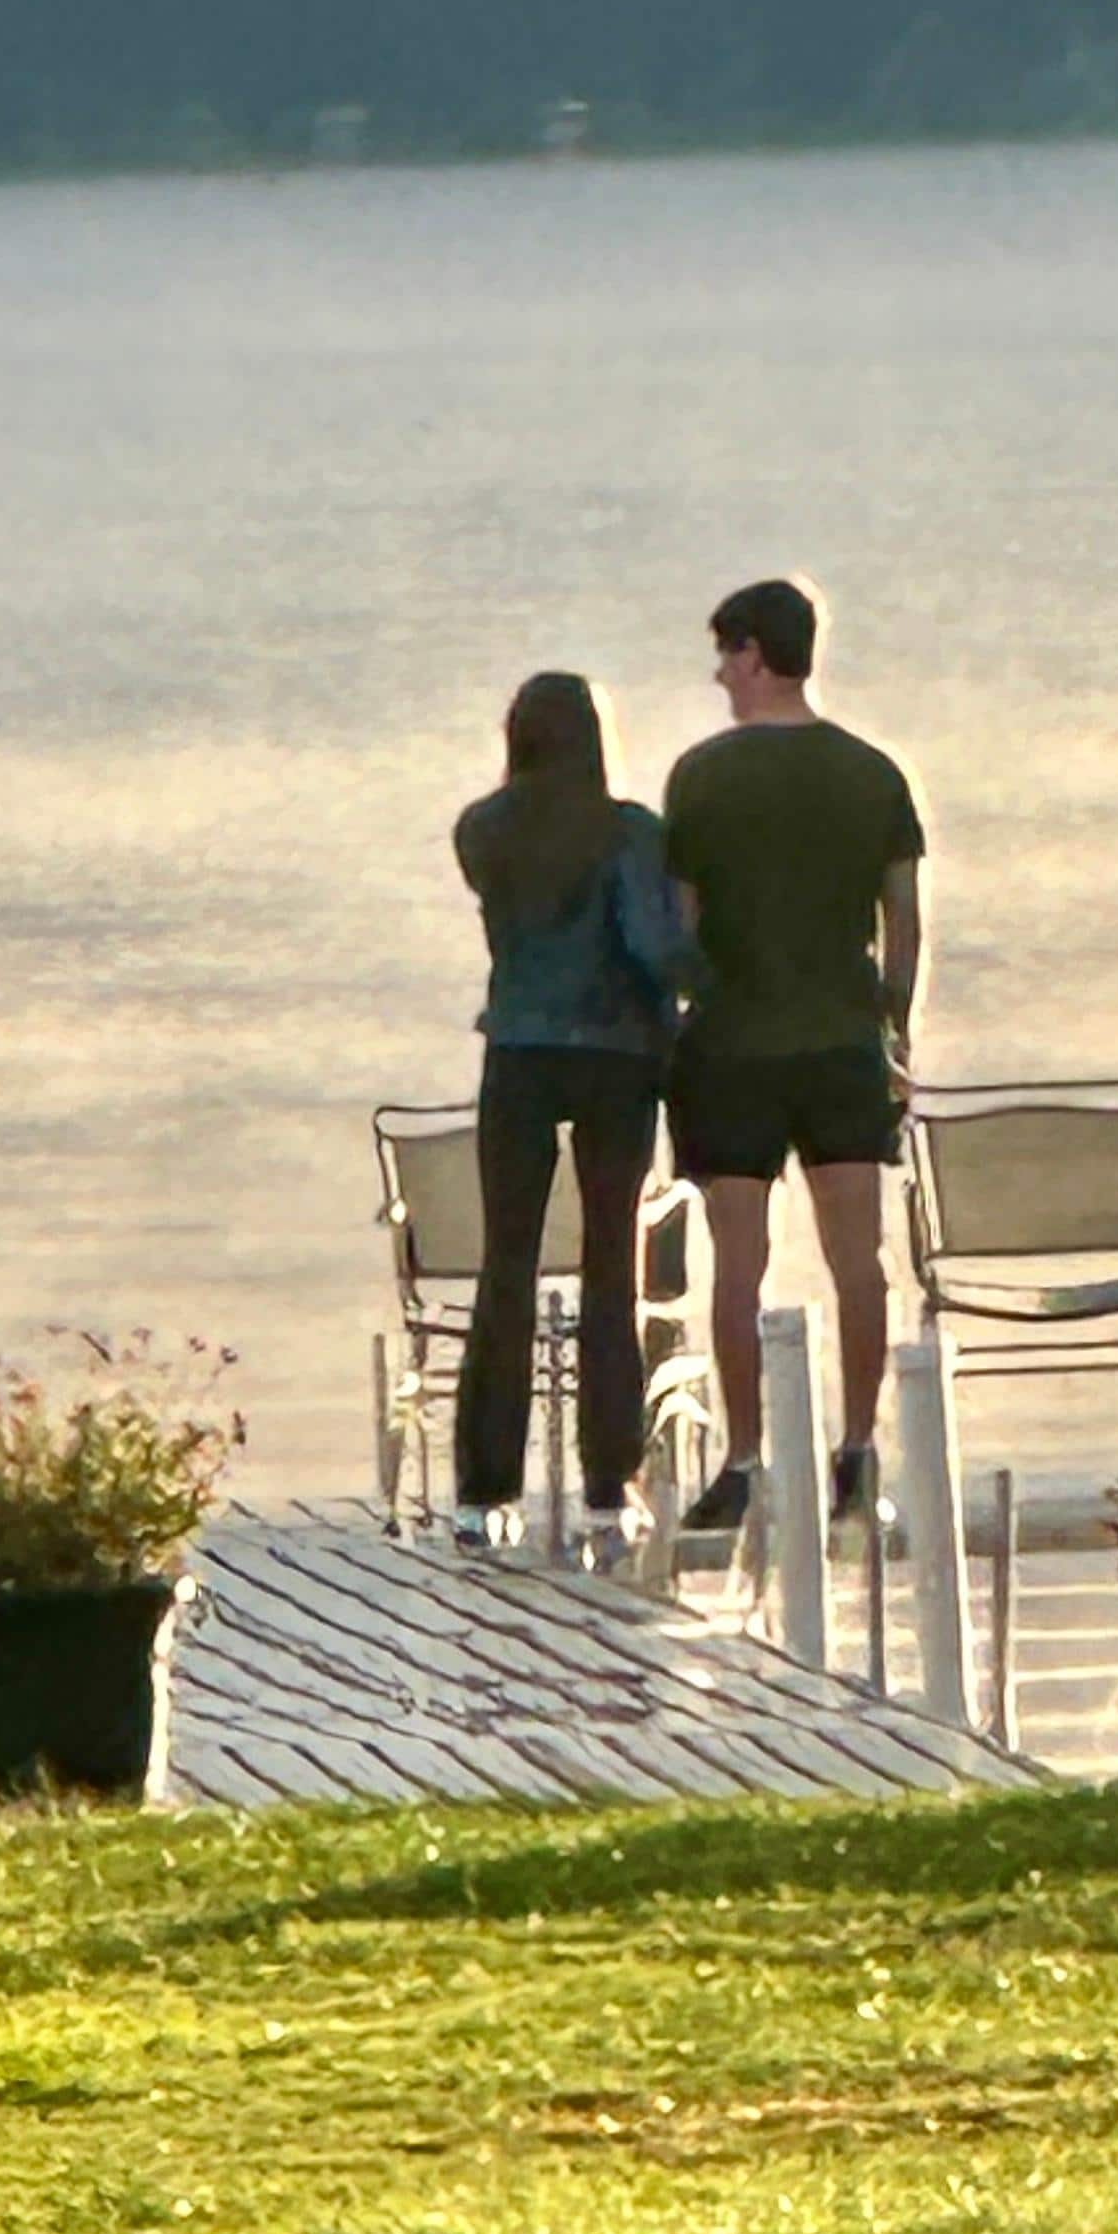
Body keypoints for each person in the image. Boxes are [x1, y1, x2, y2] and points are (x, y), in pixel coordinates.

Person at [661, 578, 925, 1578]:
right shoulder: (874, 776)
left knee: (738, 1268)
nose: (720, 672)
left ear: (759, 654)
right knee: (860, 1259)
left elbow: (681, 927)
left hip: (730, 1047)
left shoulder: (700, 780)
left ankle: (743, 1459)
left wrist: (686, 1009)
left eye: (727, 652)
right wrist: (893, 1027)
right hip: (841, 1047)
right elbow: (903, 923)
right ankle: (857, 1453)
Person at [450, 672, 698, 1571]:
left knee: (505, 1266)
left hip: (516, 1050)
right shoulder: (630, 833)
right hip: (616, 1059)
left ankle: (484, 1491)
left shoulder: (482, 831)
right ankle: (607, 1484)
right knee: (610, 1269)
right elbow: (652, 944)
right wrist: (709, 976)